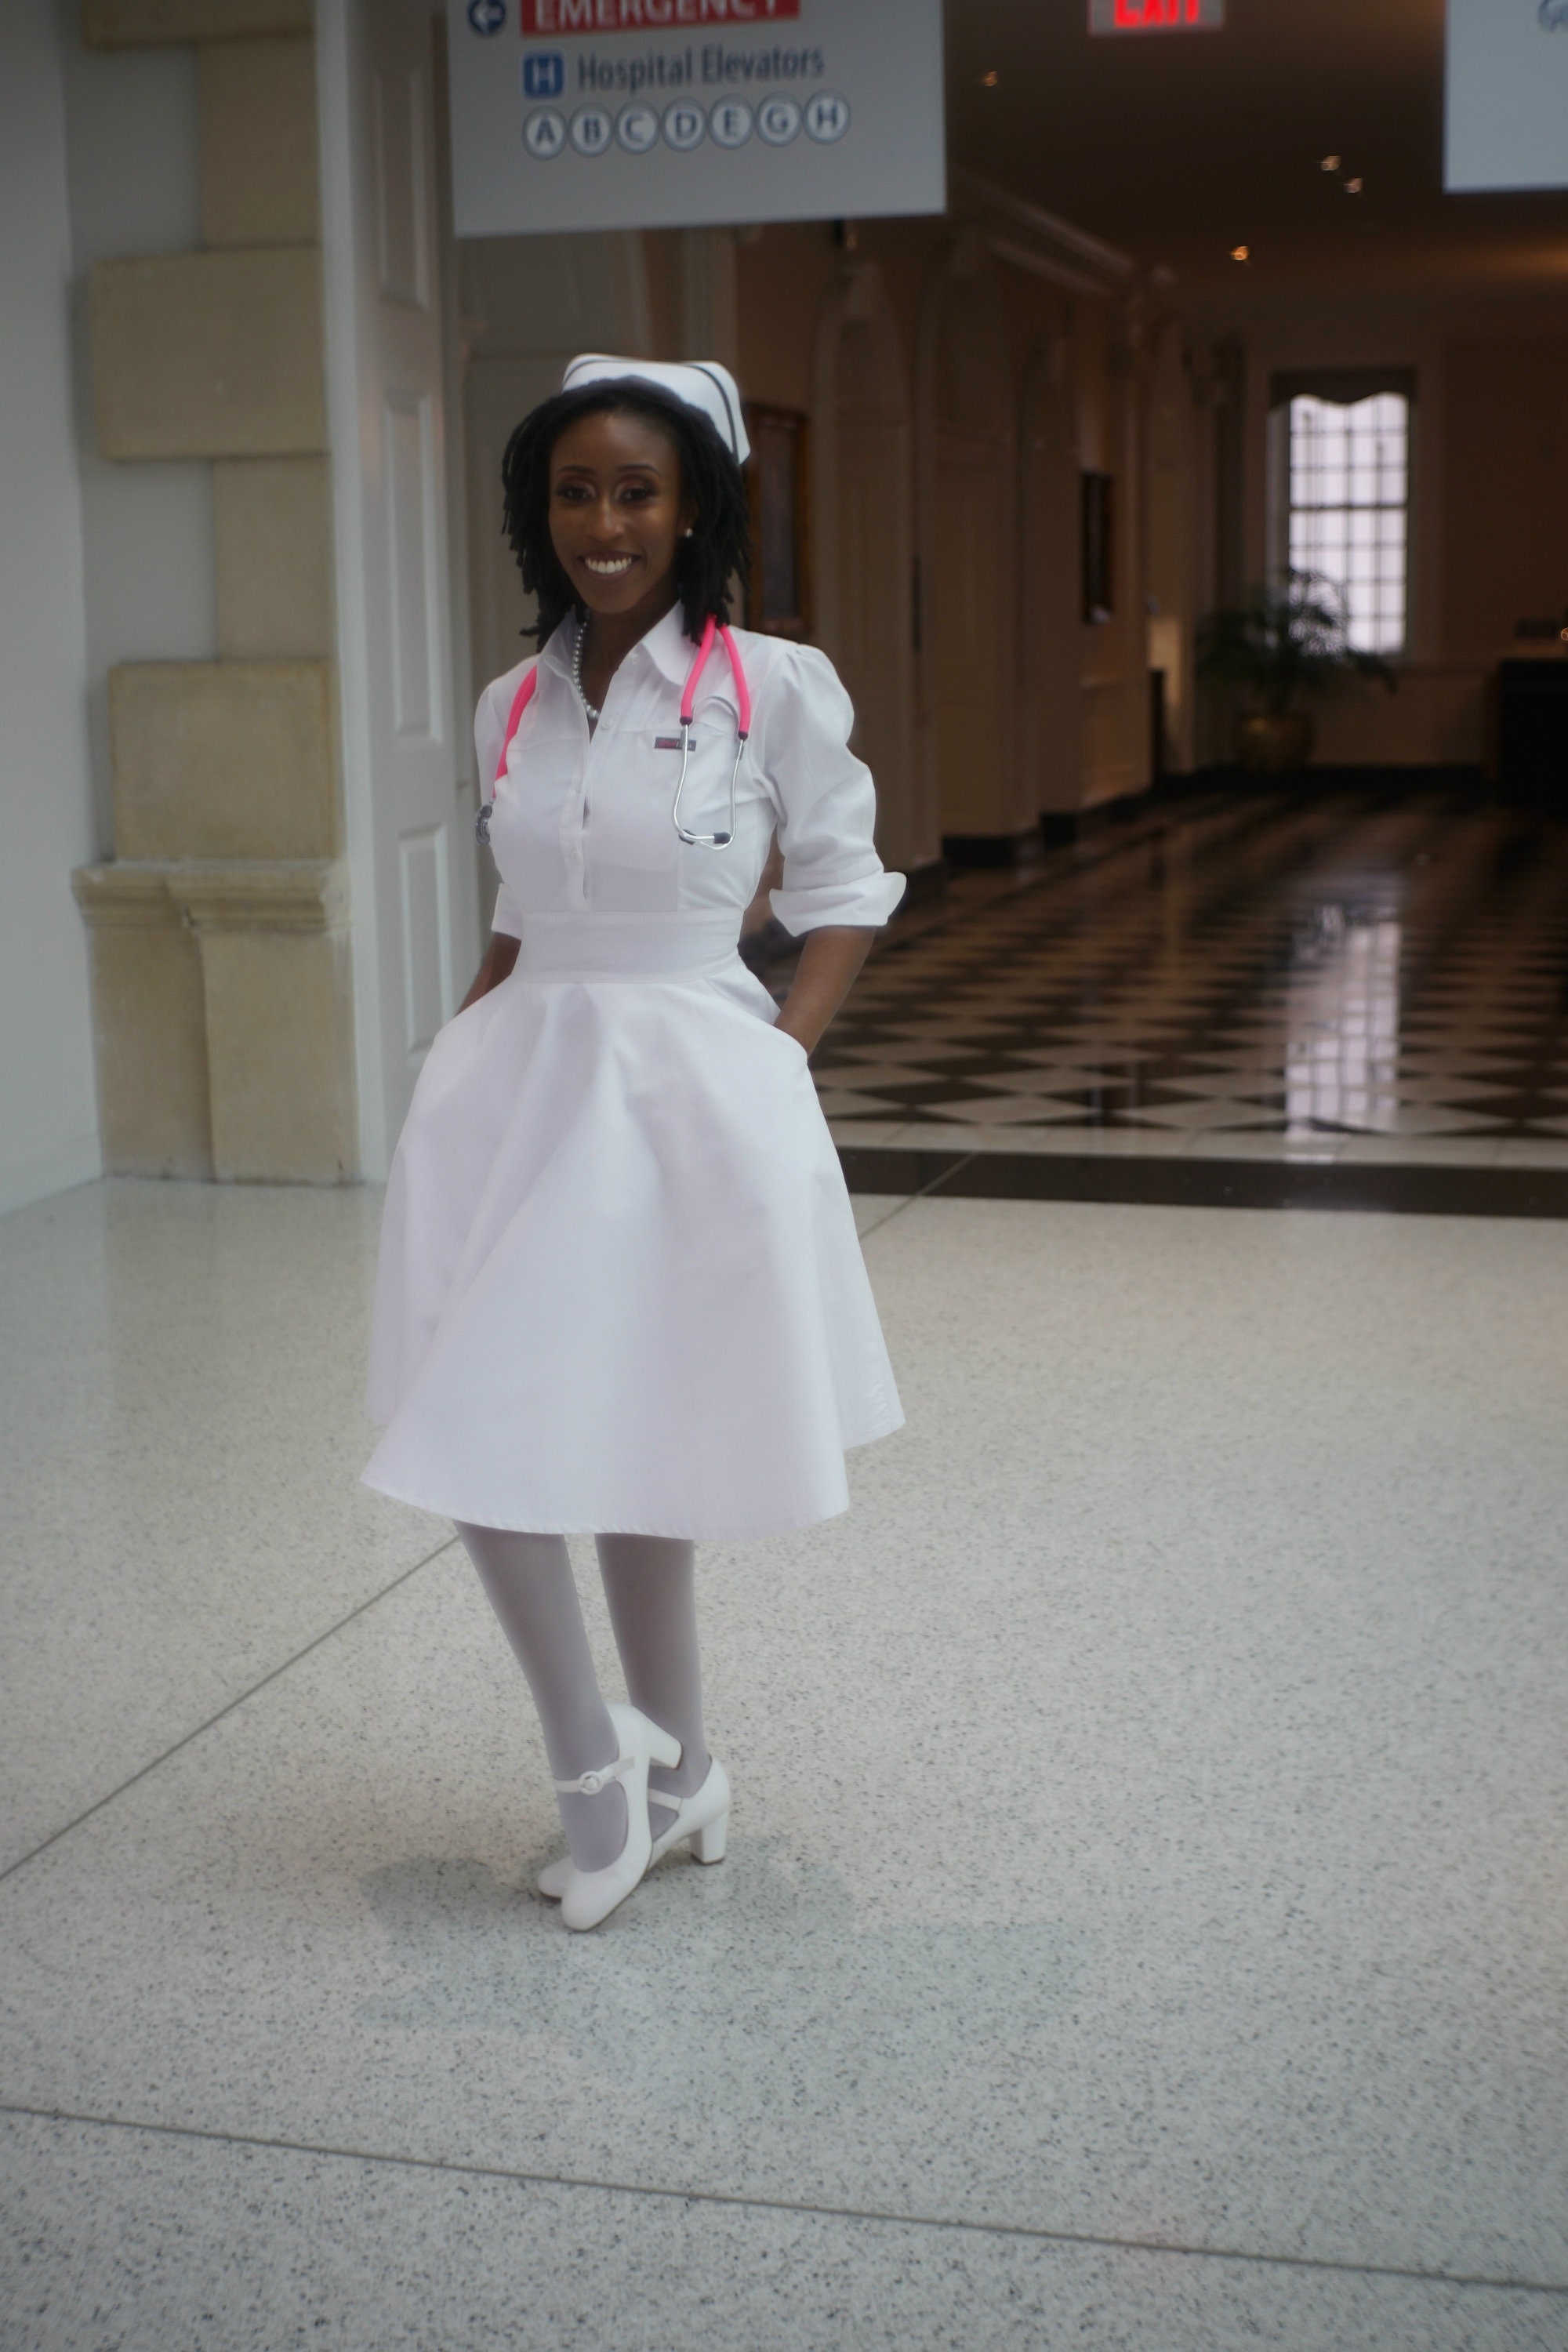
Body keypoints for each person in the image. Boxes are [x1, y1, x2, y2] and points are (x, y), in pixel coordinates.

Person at [362, 354, 904, 1932]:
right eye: (574, 491)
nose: (604, 522)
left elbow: (845, 888)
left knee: (635, 1441)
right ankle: (602, 1765)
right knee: (494, 1436)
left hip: (688, 1093)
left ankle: (667, 1782)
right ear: (542, 513)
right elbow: (522, 919)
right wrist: (447, 1073)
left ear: (693, 510)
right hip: (522, 1086)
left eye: (636, 492)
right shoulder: (508, 702)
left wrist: (781, 1055)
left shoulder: (770, 684)